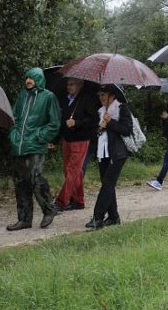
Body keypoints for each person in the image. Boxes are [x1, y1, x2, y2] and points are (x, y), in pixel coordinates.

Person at [7, 67, 60, 231]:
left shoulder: (48, 97)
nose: (28, 81)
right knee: (20, 182)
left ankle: (49, 210)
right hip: (20, 146)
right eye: (27, 78)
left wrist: (40, 137)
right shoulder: (22, 95)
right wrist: (13, 135)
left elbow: (54, 123)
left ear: (39, 80)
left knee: (36, 179)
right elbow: (14, 117)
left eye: (32, 78)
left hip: (36, 146)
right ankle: (24, 219)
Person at [85, 84, 132, 229]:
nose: (101, 98)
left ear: (112, 95)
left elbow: (127, 130)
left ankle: (97, 218)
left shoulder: (121, 108)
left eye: (103, 95)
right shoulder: (99, 111)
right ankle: (113, 217)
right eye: (99, 95)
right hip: (102, 153)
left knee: (107, 184)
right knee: (107, 184)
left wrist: (110, 122)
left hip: (117, 153)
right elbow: (93, 133)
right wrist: (100, 126)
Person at [54, 78, 99, 211]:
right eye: (68, 84)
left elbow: (93, 120)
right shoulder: (66, 99)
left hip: (81, 139)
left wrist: (77, 123)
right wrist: (55, 140)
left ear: (80, 85)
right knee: (71, 171)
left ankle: (61, 202)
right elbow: (62, 121)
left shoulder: (87, 99)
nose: (69, 87)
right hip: (67, 139)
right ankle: (78, 201)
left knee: (73, 170)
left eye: (72, 84)